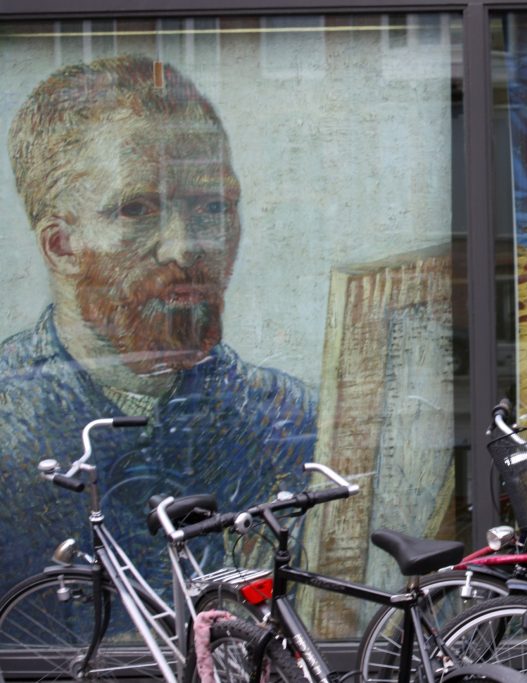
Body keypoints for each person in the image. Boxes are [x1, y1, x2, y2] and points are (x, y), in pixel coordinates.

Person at [0, 55, 317, 594]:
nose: (186, 246)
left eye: (213, 206)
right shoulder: (10, 429)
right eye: (137, 209)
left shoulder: (295, 423)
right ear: (61, 244)